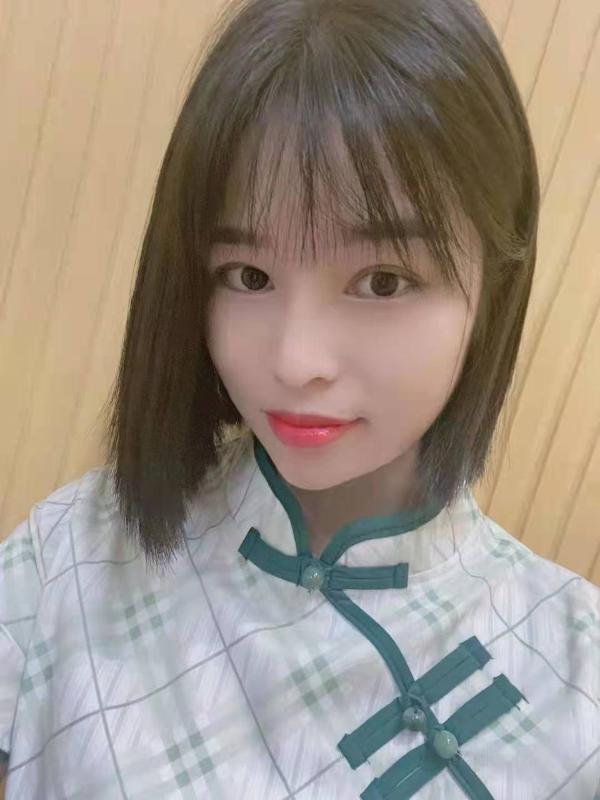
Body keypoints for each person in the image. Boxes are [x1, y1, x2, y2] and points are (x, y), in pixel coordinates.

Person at [1, 0, 599, 797]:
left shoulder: (577, 669)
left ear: (496, 284)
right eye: (248, 276)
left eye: (382, 281)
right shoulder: (73, 553)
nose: (295, 360)